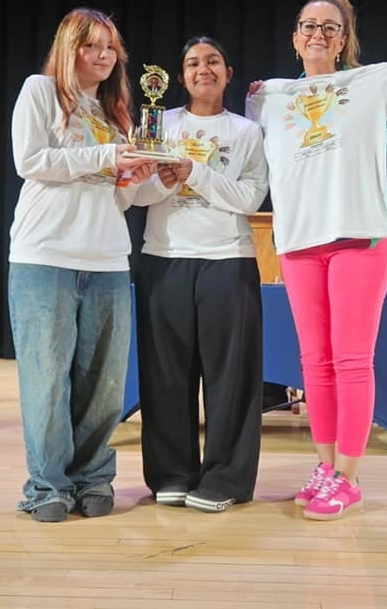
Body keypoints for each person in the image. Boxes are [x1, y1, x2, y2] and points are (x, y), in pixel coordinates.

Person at [245, 0, 387, 520]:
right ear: (294, 38)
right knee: (314, 364)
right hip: (301, 244)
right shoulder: (270, 99)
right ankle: (326, 466)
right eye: (309, 25)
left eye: (330, 27)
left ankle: (349, 478)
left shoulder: (373, 86)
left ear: (343, 40)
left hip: (360, 237)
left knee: (352, 360)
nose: (318, 34)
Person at [7, 7, 157, 523]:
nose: (103, 56)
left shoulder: (115, 114)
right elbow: (30, 161)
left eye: (110, 47)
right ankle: (46, 485)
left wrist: (149, 180)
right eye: (92, 45)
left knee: (105, 382)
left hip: (108, 258)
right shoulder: (40, 92)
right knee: (47, 378)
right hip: (44, 254)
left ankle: (93, 477)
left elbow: (120, 199)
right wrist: (105, 160)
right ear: (68, 49)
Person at [132, 36, 269, 513]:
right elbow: (133, 194)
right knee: (165, 373)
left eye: (212, 61)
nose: (202, 69)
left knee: (230, 376)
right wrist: (162, 183)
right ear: (180, 74)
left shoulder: (247, 132)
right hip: (163, 257)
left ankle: (226, 476)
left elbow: (251, 199)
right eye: (192, 63)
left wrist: (195, 173)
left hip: (228, 261)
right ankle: (172, 473)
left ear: (228, 73)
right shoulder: (158, 122)